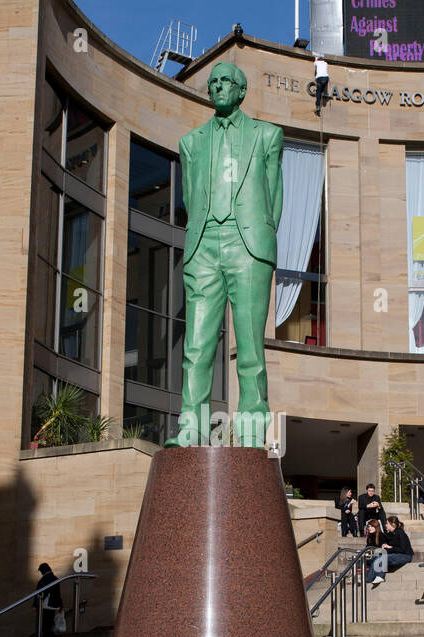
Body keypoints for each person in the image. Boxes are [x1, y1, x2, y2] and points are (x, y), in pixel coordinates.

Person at [165, 61, 283, 448]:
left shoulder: (267, 136)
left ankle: (250, 432)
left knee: (250, 346)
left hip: (247, 244)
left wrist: (257, 237)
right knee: (197, 347)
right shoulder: (190, 143)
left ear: (241, 90)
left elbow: (273, 199)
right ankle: (191, 430)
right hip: (203, 245)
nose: (218, 87)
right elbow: (189, 197)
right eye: (212, 83)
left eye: (226, 82)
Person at [368, 515, 413, 585]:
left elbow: (403, 549)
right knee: (375, 558)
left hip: (406, 555)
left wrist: (390, 547)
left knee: (382, 558)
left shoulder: (400, 533)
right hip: (396, 554)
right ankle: (368, 578)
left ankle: (380, 576)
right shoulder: (390, 534)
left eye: (387, 523)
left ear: (393, 524)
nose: (385, 525)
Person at [36, 562, 64, 637]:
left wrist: (37, 604)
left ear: (43, 570)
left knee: (45, 626)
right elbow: (58, 594)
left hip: (46, 606)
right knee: (50, 624)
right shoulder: (54, 578)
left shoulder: (45, 579)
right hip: (53, 605)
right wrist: (60, 605)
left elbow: (41, 592)